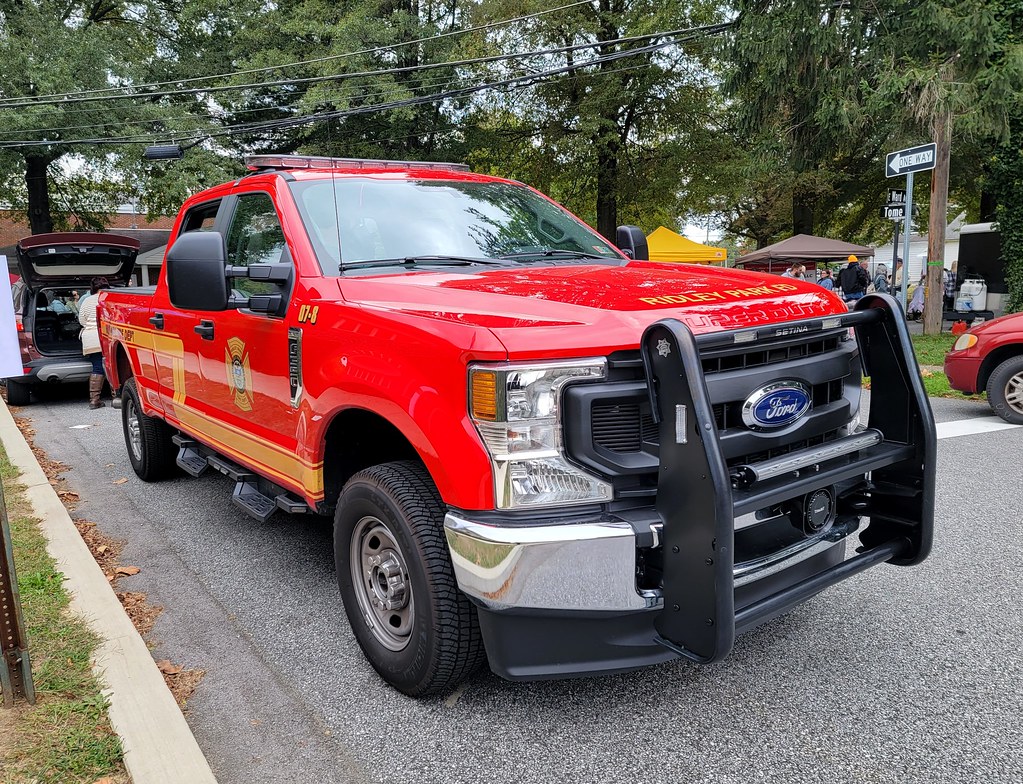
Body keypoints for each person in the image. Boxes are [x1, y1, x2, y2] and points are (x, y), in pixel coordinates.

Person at [78, 277, 110, 409]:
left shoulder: (86, 300)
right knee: (112, 365)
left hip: (90, 337)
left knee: (97, 366)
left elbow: (82, 320)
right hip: (106, 336)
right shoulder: (107, 298)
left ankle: (94, 400)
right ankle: (117, 397)